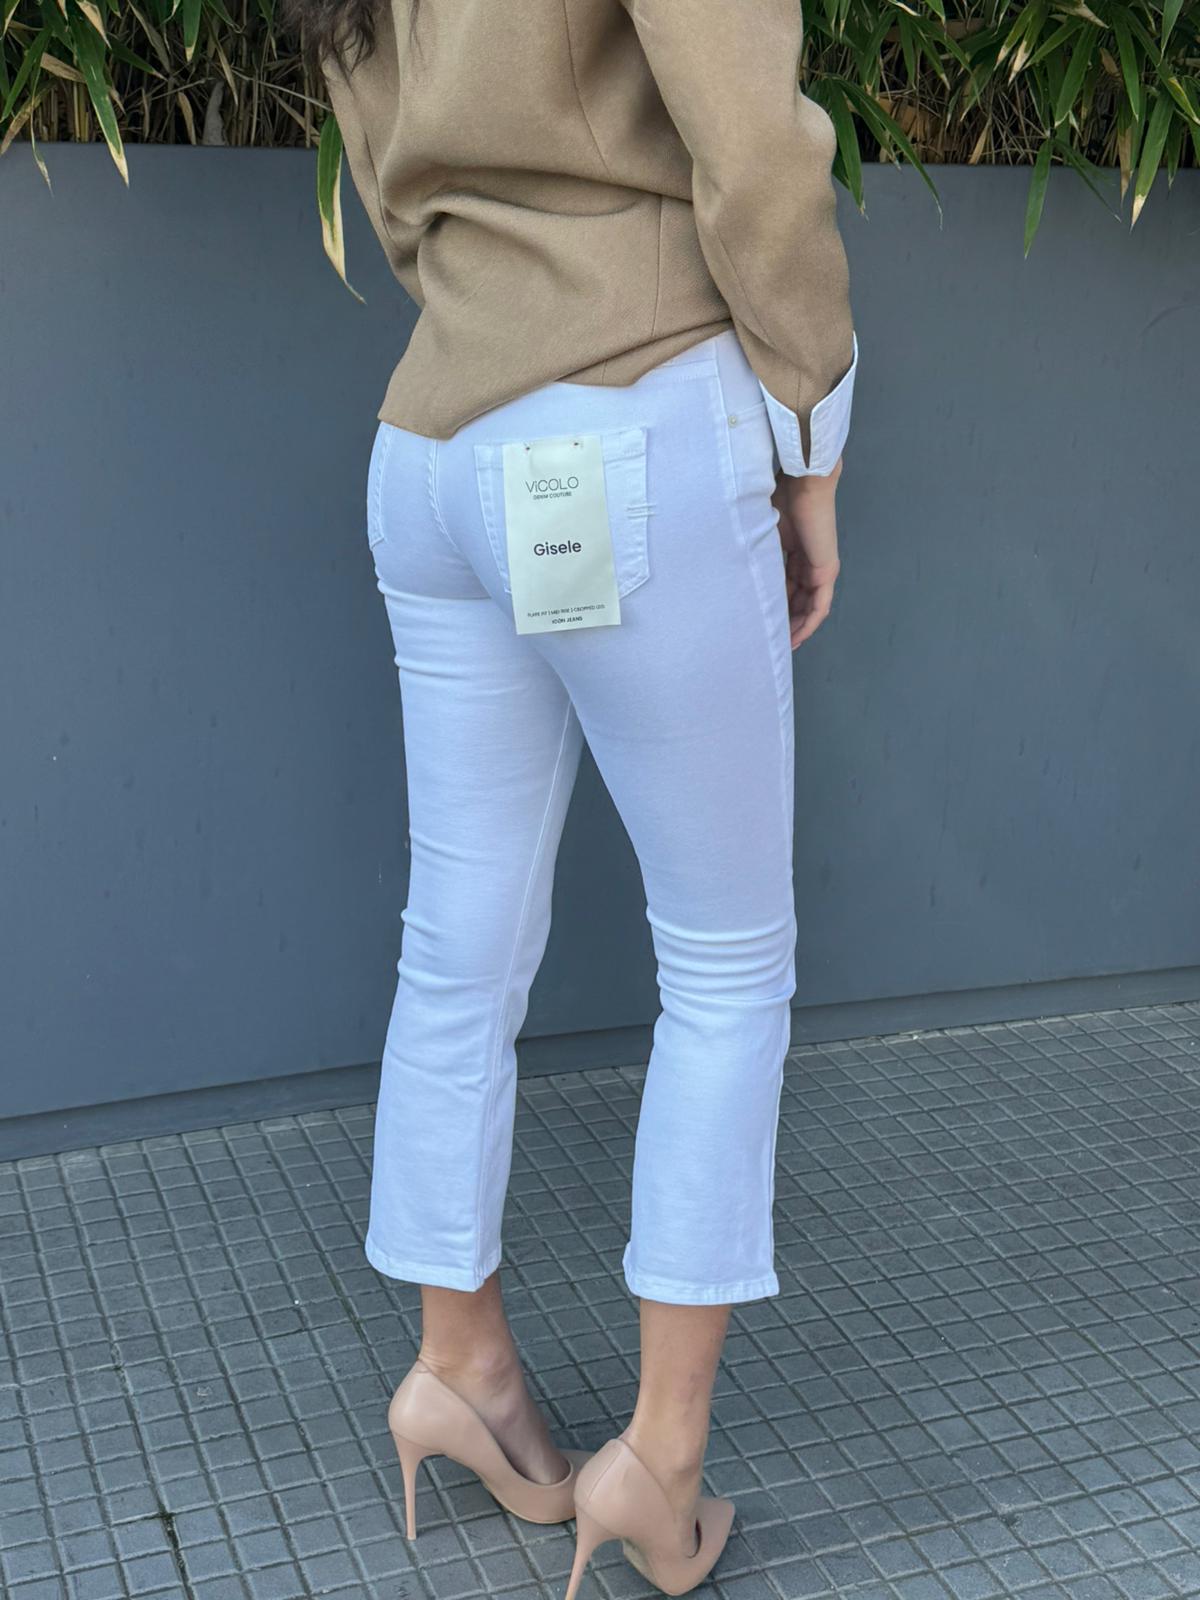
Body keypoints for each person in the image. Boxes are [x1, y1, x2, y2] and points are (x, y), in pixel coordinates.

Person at [287, 0, 859, 1591]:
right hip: (625, 405)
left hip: (429, 448)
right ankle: (656, 1472)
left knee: (457, 946)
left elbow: (392, 188)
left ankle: (459, 1370)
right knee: (726, 966)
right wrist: (811, 437)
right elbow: (754, 149)